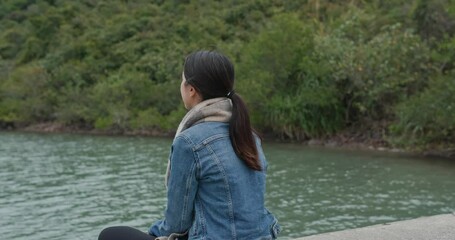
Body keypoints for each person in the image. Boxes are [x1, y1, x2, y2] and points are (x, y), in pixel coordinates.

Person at [98, 50, 280, 240]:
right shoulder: (249, 135)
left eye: (182, 81)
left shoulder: (190, 142)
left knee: (111, 235)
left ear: (191, 89)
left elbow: (176, 223)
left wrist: (153, 233)